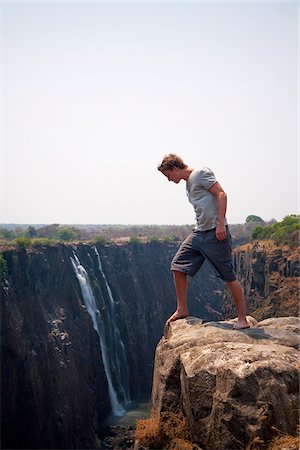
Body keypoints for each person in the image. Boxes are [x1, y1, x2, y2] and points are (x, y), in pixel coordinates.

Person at [157, 153, 249, 330]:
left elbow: (221, 194)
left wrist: (220, 223)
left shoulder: (200, 173)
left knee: (228, 276)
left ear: (175, 169)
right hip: (199, 233)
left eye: (168, 175)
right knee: (177, 265)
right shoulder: (188, 185)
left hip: (215, 233)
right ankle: (182, 308)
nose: (169, 180)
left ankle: (242, 319)